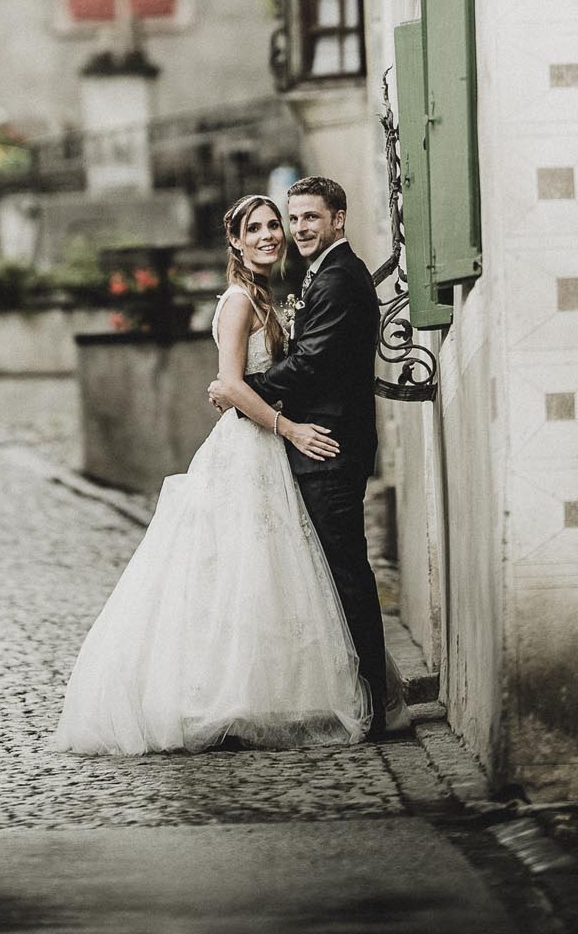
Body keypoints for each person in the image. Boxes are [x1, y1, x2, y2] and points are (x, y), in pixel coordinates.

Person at [50, 194, 370, 755]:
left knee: (270, 574)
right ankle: (217, 693)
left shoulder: (266, 296)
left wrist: (260, 409)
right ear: (236, 242)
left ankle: (270, 689)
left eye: (279, 224)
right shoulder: (238, 301)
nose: (273, 235)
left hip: (268, 445)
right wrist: (289, 428)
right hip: (253, 443)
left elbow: (244, 384)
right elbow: (231, 382)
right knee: (235, 572)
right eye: (260, 228)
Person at [209, 175, 390, 740]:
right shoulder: (256, 295)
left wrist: (245, 389)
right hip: (294, 441)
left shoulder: (337, 279)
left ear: (338, 219)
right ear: (236, 242)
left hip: (325, 443)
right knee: (292, 574)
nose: (291, 230)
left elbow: (308, 363)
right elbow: (248, 373)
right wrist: (242, 390)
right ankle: (337, 693)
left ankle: (370, 703)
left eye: (307, 217)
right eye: (289, 219)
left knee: (340, 573)